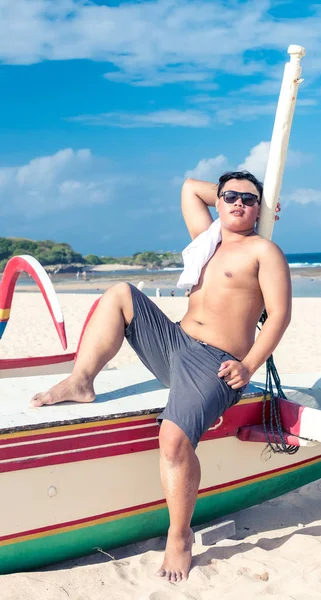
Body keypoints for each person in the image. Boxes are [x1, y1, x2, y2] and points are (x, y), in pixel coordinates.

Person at [30, 171, 290, 583]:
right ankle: (81, 380)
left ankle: (180, 534)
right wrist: (237, 195)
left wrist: (248, 365)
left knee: (172, 439)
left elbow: (279, 315)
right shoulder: (208, 238)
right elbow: (189, 187)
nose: (239, 203)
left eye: (249, 199)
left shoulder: (264, 251)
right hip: (174, 343)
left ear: (261, 210)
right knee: (119, 293)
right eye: (230, 196)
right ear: (218, 201)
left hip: (215, 363)